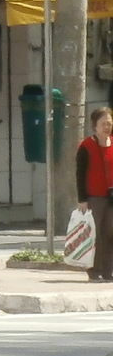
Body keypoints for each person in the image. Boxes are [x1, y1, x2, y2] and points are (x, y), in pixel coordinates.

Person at [76, 106, 113, 281]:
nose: (107, 127)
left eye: (110, 123)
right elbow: (80, 173)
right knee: (95, 235)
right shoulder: (86, 146)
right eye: (103, 123)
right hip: (94, 198)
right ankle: (94, 269)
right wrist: (82, 199)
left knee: (110, 233)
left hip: (111, 198)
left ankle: (108, 269)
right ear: (94, 125)